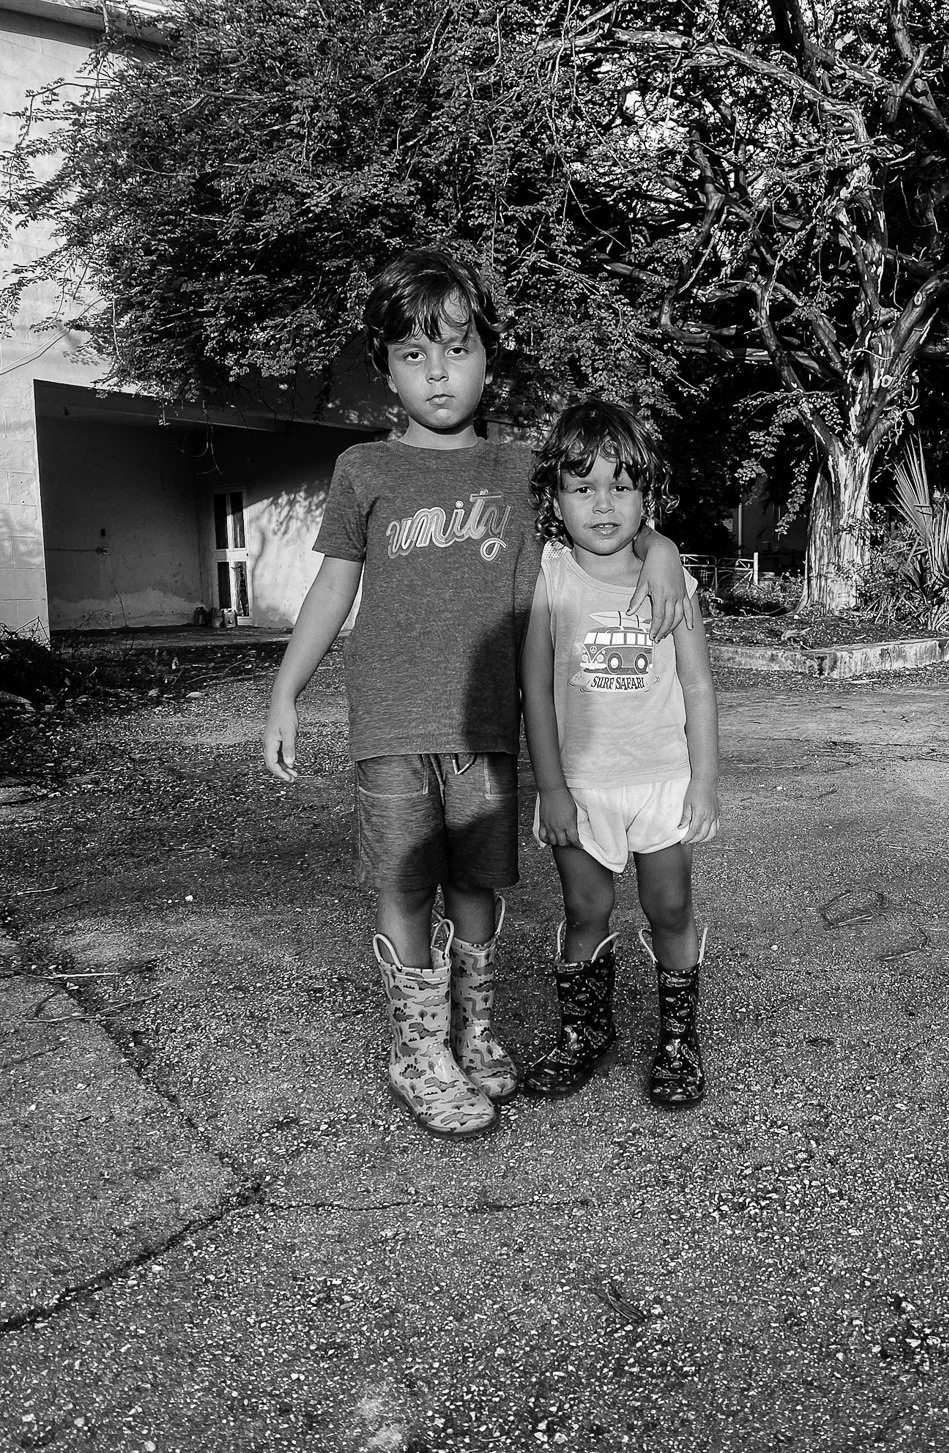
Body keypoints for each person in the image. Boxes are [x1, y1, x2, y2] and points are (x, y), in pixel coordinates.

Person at [261, 247, 688, 1140]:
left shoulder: (519, 471)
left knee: (476, 885)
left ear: (488, 358)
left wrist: (663, 550)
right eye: (413, 355)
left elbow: (604, 519)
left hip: (488, 726)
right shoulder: (363, 470)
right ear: (384, 367)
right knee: (405, 880)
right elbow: (333, 588)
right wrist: (286, 691)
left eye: (456, 351)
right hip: (390, 721)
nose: (437, 373)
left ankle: (473, 1031)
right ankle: (417, 1054)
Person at [520, 399, 720, 1109]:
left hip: (662, 782)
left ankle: (678, 1043)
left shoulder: (672, 581)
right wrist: (551, 789)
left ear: (645, 496)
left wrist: (704, 782)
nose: (602, 504)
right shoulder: (548, 577)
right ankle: (585, 1034)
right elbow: (535, 692)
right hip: (580, 786)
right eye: (583, 487)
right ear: (555, 499)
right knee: (586, 910)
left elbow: (697, 686)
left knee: (671, 907)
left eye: (621, 486)